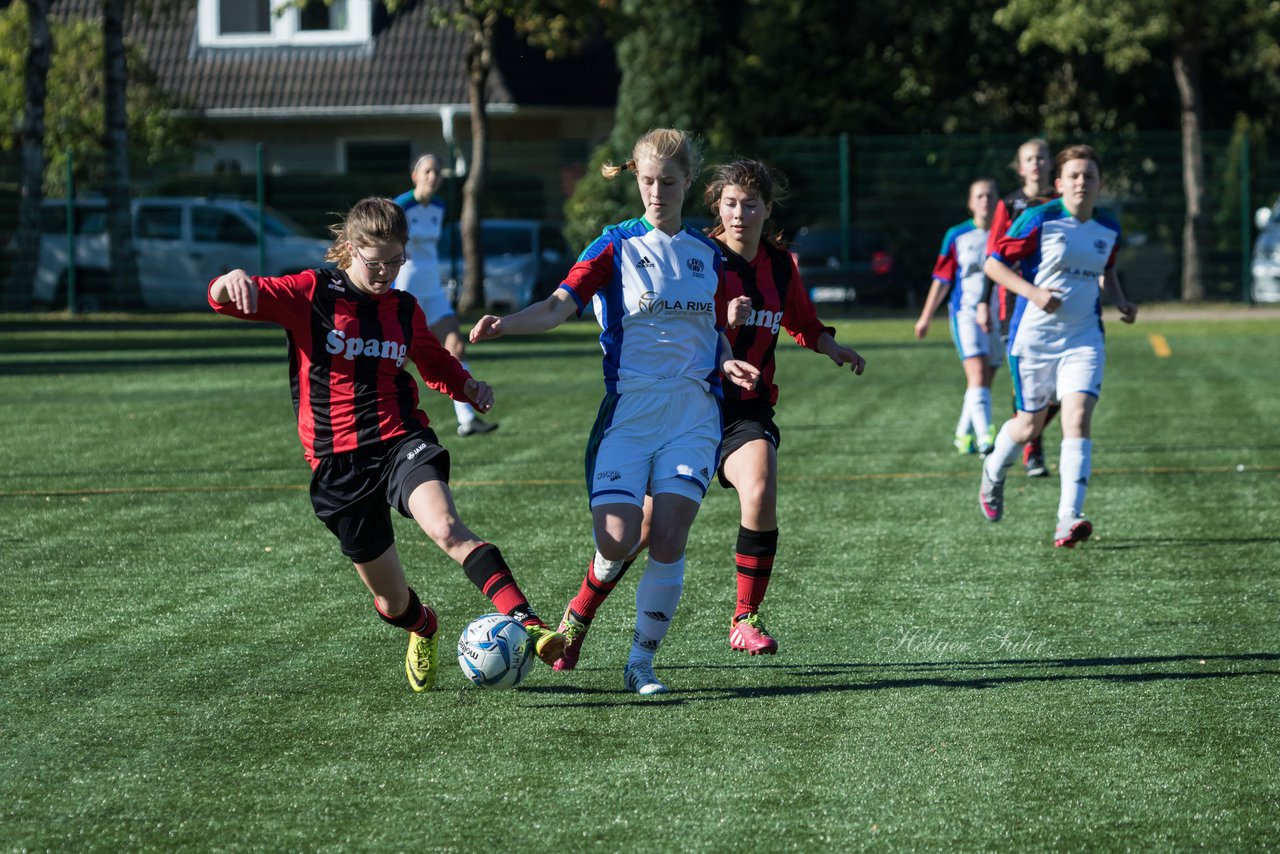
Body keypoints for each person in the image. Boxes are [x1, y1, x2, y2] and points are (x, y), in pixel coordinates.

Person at [208, 196, 564, 693]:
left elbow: (433, 361)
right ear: (349, 249)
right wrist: (230, 281)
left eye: (396, 262)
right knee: (393, 603)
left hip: (401, 439)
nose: (385, 274)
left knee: (446, 527)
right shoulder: (311, 292)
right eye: (375, 264)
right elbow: (225, 297)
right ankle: (424, 626)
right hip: (337, 464)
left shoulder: (403, 308)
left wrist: (468, 386)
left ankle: (530, 624)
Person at [469, 129, 760, 695]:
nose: (655, 192)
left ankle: (641, 663)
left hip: (692, 417)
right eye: (646, 181)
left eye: (667, 183)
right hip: (628, 415)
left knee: (671, 533)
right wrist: (507, 323)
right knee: (618, 539)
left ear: (687, 183)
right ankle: (577, 615)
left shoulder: (709, 254)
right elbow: (558, 305)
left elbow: (709, 334)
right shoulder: (614, 245)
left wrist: (725, 360)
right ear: (635, 178)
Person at [548, 158, 866, 666]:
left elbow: (802, 320)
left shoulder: (781, 267)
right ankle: (578, 617)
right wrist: (723, 316)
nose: (740, 214)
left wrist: (832, 346)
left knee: (760, 485)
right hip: (689, 404)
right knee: (642, 533)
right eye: (731, 204)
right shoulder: (698, 256)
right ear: (716, 206)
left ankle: (745, 618)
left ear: (767, 208)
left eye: (751, 203)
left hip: (744, 412)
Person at [979, 144, 1138, 547]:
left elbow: (1108, 268)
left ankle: (1068, 517)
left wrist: (1118, 297)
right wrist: (1032, 293)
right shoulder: (1038, 218)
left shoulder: (1109, 227)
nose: (1082, 182)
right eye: (1074, 176)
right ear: (1059, 183)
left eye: (1089, 176)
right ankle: (993, 472)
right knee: (1029, 425)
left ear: (1100, 184)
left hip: (1083, 338)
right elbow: (994, 264)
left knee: (1077, 417)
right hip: (1034, 338)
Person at [393, 153, 497, 437]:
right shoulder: (401, 206)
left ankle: (467, 419)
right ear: (415, 176)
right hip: (406, 288)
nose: (432, 176)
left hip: (433, 288)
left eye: (437, 172)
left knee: (456, 346)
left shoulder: (439, 205)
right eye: (427, 171)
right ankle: (387, 416)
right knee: (397, 359)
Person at [978, 138, 1058, 476]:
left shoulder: (1063, 201)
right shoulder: (1010, 204)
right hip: (1016, 303)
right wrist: (983, 301)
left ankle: (1021, 430)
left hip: (1058, 301)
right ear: (1021, 167)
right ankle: (1032, 451)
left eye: (1041, 157)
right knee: (1025, 381)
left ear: (1050, 163)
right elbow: (993, 256)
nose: (1036, 163)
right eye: (1029, 158)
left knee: (1063, 389)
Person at [915, 177, 1002, 456]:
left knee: (984, 380)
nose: (985, 200)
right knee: (977, 373)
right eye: (979, 196)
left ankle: (963, 434)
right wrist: (926, 316)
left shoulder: (1006, 233)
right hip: (965, 314)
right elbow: (942, 279)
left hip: (999, 315)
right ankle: (986, 437)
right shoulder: (957, 235)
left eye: (989, 195)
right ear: (970, 202)